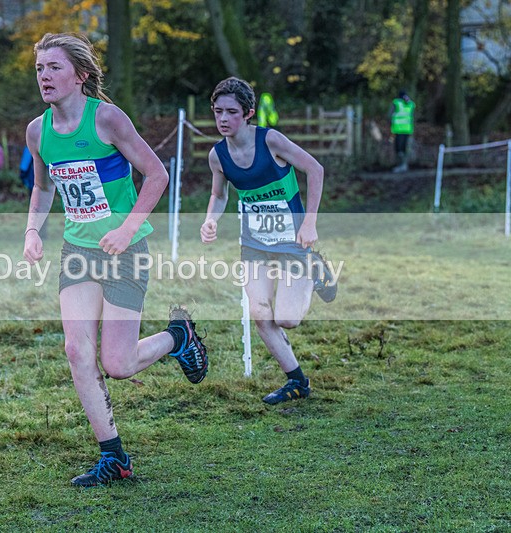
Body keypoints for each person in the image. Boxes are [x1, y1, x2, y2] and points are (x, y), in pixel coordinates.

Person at [22, 33, 208, 487]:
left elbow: (156, 173)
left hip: (124, 252)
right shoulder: (37, 131)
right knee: (75, 350)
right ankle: (115, 458)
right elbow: (44, 186)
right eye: (40, 69)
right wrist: (31, 230)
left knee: (119, 364)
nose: (45, 76)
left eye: (54, 67)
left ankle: (178, 337)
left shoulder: (106, 119)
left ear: (81, 75)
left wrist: (127, 228)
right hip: (78, 253)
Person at [199, 77, 337, 406]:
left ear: (248, 113)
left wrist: (310, 221)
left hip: (291, 241)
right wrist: (210, 219)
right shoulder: (218, 156)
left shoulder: (271, 141)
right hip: (254, 245)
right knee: (261, 315)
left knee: (288, 319)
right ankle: (297, 382)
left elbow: (315, 170)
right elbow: (219, 195)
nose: (223, 119)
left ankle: (316, 268)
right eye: (218, 111)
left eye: (231, 112)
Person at [19, 145, 46, 238]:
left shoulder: (31, 144)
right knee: (45, 205)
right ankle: (43, 232)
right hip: (46, 181)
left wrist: (23, 177)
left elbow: (24, 165)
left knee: (35, 206)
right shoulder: (47, 143)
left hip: (34, 181)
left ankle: (35, 231)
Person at [390, 90, 415, 173]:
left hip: (399, 130)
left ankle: (402, 165)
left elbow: (390, 114)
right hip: (407, 130)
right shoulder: (410, 104)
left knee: (399, 148)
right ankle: (403, 165)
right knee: (403, 148)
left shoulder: (396, 103)